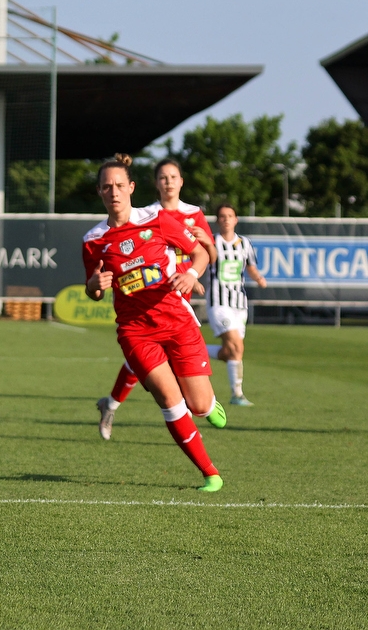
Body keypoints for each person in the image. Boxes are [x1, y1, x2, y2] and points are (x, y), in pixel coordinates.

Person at [83, 154, 225, 492]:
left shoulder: (157, 219)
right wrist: (94, 286)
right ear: (100, 192)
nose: (113, 192)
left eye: (119, 185)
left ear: (131, 187)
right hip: (136, 331)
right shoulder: (94, 240)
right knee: (168, 398)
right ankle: (210, 473)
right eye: (106, 186)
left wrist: (190, 274)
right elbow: (93, 289)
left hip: (177, 321)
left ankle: (209, 403)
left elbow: (201, 253)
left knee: (200, 405)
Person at [206, 203, 267, 405]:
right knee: (236, 345)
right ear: (217, 220)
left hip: (240, 304)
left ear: (236, 219)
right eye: (222, 216)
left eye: (230, 216)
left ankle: (195, 350)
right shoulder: (212, 242)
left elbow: (250, 266)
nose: (226, 219)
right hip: (219, 302)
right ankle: (237, 395)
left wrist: (258, 278)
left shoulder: (244, 243)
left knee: (231, 352)